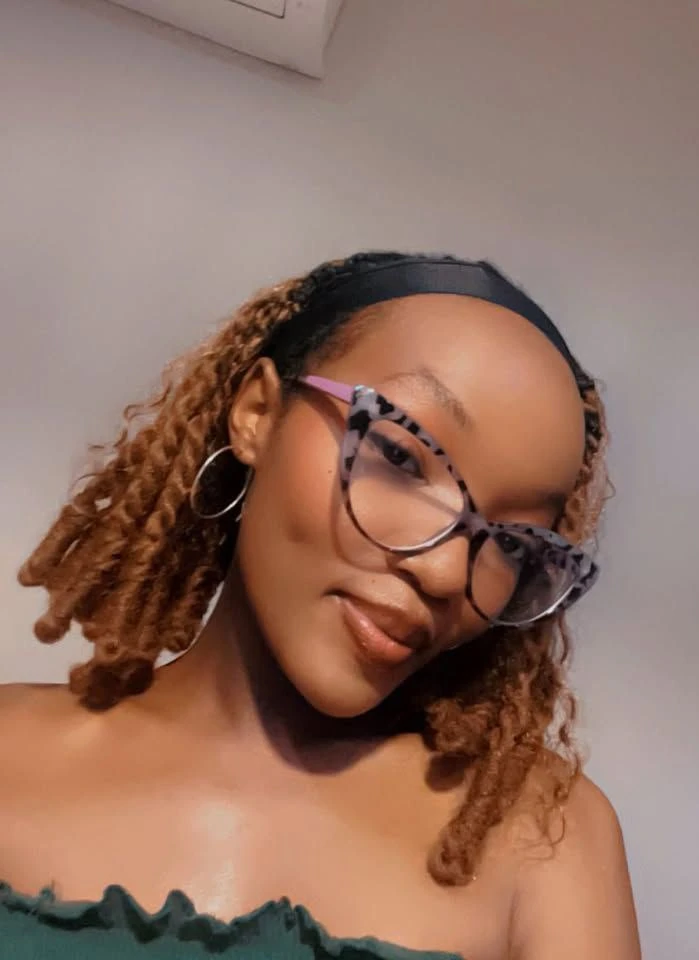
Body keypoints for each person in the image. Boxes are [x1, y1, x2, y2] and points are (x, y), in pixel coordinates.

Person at [0, 252, 641, 959]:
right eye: (401, 459)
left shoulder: (541, 845)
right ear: (256, 413)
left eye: (513, 543)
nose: (445, 570)